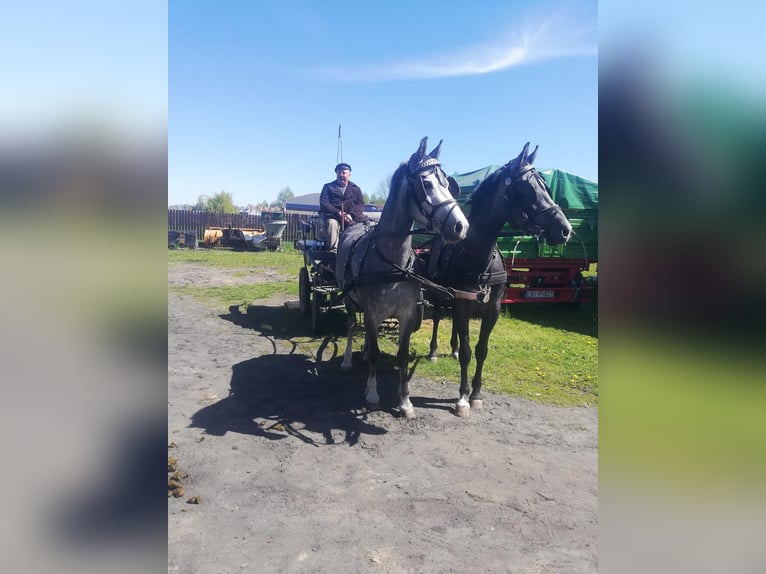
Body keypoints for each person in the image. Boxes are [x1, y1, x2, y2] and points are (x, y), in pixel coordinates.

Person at [318, 162, 367, 251]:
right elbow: (324, 203)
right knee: (332, 224)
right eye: (339, 172)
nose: (341, 175)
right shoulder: (328, 187)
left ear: (349, 174)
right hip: (334, 217)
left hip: (352, 218)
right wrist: (338, 213)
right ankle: (334, 250)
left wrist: (351, 215)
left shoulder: (356, 189)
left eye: (344, 173)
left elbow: (360, 204)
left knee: (365, 226)